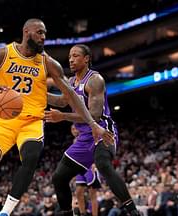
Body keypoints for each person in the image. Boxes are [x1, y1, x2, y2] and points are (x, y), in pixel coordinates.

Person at [0, 18, 113, 216]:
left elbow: (70, 95)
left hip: (33, 121)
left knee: (31, 157)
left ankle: (5, 212)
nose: (44, 37)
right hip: (6, 120)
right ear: (26, 32)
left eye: (45, 33)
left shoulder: (48, 63)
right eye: (40, 32)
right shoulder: (2, 54)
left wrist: (92, 123)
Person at [45, 44, 140, 216]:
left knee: (103, 164)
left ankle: (133, 211)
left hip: (102, 130)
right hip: (84, 137)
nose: (71, 60)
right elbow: (62, 102)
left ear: (86, 58)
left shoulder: (95, 80)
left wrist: (63, 117)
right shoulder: (71, 82)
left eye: (75, 56)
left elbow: (94, 116)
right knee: (58, 177)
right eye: (69, 57)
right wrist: (39, 94)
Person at [71, 125, 101, 216]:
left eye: (75, 128)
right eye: (72, 129)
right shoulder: (75, 141)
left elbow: (97, 149)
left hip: (90, 167)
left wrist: (95, 162)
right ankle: (83, 213)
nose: (74, 130)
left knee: (92, 194)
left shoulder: (90, 136)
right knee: (78, 192)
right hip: (80, 168)